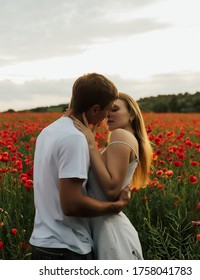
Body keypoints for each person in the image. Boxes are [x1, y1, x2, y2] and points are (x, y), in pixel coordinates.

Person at [29, 73, 131, 260]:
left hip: (41, 244)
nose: (106, 117)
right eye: (106, 110)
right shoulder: (74, 138)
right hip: (67, 248)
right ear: (95, 109)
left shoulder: (48, 131)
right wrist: (114, 206)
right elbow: (71, 205)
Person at [72, 92, 153, 259]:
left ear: (131, 115)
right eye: (107, 109)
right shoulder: (128, 138)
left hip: (111, 233)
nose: (108, 114)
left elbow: (111, 190)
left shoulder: (120, 135)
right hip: (108, 230)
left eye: (114, 109)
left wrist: (91, 143)